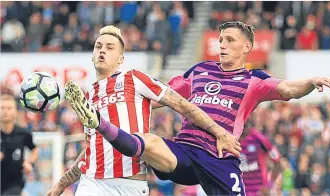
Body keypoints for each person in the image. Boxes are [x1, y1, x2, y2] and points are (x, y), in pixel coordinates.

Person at [64, 21, 330, 195]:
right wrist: (118, 94)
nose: (222, 45)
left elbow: (289, 90)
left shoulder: (254, 80)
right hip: (185, 151)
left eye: (230, 41)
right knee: (149, 142)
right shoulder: (199, 71)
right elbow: (160, 96)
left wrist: (311, 81)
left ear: (247, 47)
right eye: (220, 40)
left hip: (220, 160)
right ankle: (103, 128)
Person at [47, 25, 240, 196]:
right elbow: (91, 150)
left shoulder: (134, 79)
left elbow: (183, 105)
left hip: (131, 184)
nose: (102, 51)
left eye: (109, 47)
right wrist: (60, 185)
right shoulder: (88, 96)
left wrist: (219, 132)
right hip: (93, 183)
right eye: (98, 46)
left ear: (121, 58)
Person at [1, 92, 39, 195]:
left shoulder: (23, 134)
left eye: (9, 108)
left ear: (16, 112)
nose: (5, 111)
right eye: (2, 108)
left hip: (14, 184)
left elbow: (34, 149)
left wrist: (29, 163)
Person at [239, 127, 281, 196]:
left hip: (258, 191)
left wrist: (269, 184)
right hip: (240, 191)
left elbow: (277, 160)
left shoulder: (259, 138)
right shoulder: (230, 138)